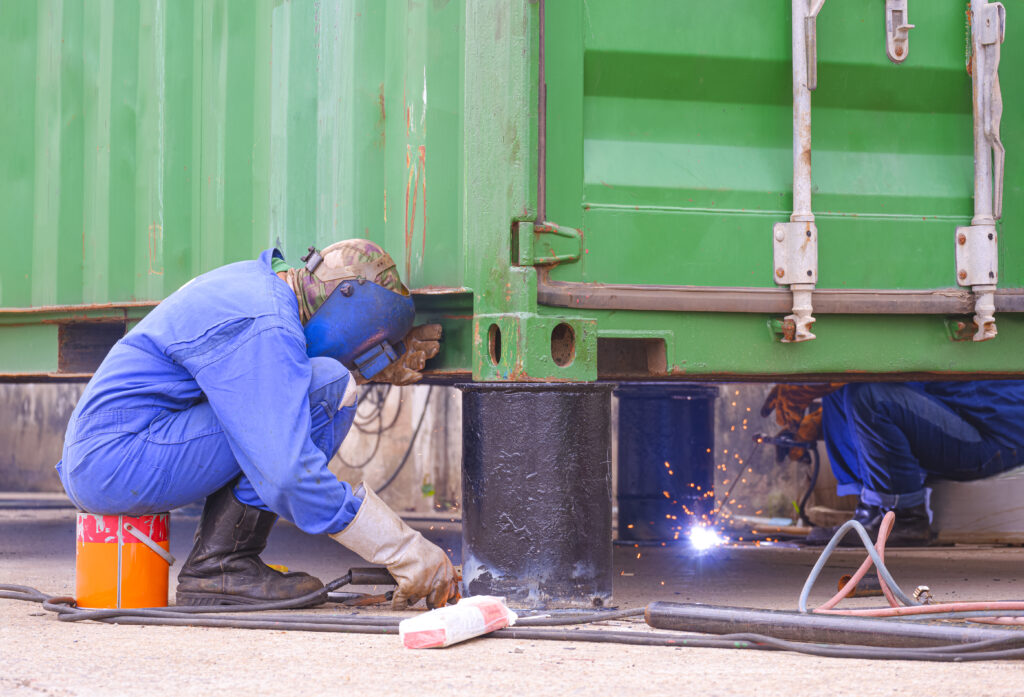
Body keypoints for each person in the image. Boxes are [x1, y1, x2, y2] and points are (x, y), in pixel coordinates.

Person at [56, 240, 456, 608]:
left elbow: (250, 388)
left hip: (113, 449)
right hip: (116, 457)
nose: (359, 359)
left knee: (323, 384)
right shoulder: (267, 325)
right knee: (329, 386)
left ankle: (222, 566)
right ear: (345, 300)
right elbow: (287, 475)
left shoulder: (259, 287)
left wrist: (368, 367)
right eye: (366, 345)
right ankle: (221, 567)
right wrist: (404, 550)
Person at [763, 381, 1024, 545]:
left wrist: (812, 386)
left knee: (868, 395)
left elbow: (899, 380)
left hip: (995, 439)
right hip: (964, 417)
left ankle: (904, 517)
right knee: (841, 386)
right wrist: (825, 421)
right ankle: (871, 512)